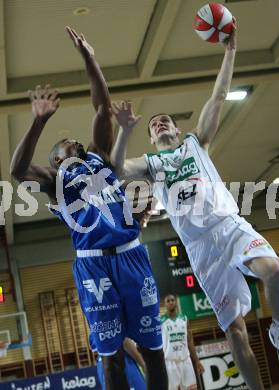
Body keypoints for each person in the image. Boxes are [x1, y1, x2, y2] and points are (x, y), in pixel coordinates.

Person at [110, 21, 279, 390]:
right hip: (202, 250)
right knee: (236, 334)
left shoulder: (197, 144)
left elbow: (218, 97)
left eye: (165, 120)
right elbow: (116, 168)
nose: (160, 123)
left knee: (275, 272)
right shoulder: (151, 165)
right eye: (153, 125)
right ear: (151, 137)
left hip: (230, 226)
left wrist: (229, 51)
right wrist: (125, 130)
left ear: (177, 131)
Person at [10, 28, 167, 390]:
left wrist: (90, 58)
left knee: (153, 348)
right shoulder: (55, 182)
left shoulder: (98, 158)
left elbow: (101, 107)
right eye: (66, 143)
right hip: (93, 262)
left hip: (131, 254)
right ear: (55, 159)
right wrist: (38, 121)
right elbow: (17, 170)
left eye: (76, 140)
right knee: (111, 356)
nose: (75, 140)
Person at [161, 294, 204, 390]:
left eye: (172, 300)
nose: (171, 302)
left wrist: (197, 361)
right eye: (168, 301)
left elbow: (189, 341)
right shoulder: (161, 321)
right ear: (165, 304)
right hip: (170, 362)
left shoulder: (184, 319)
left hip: (185, 360)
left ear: (175, 302)